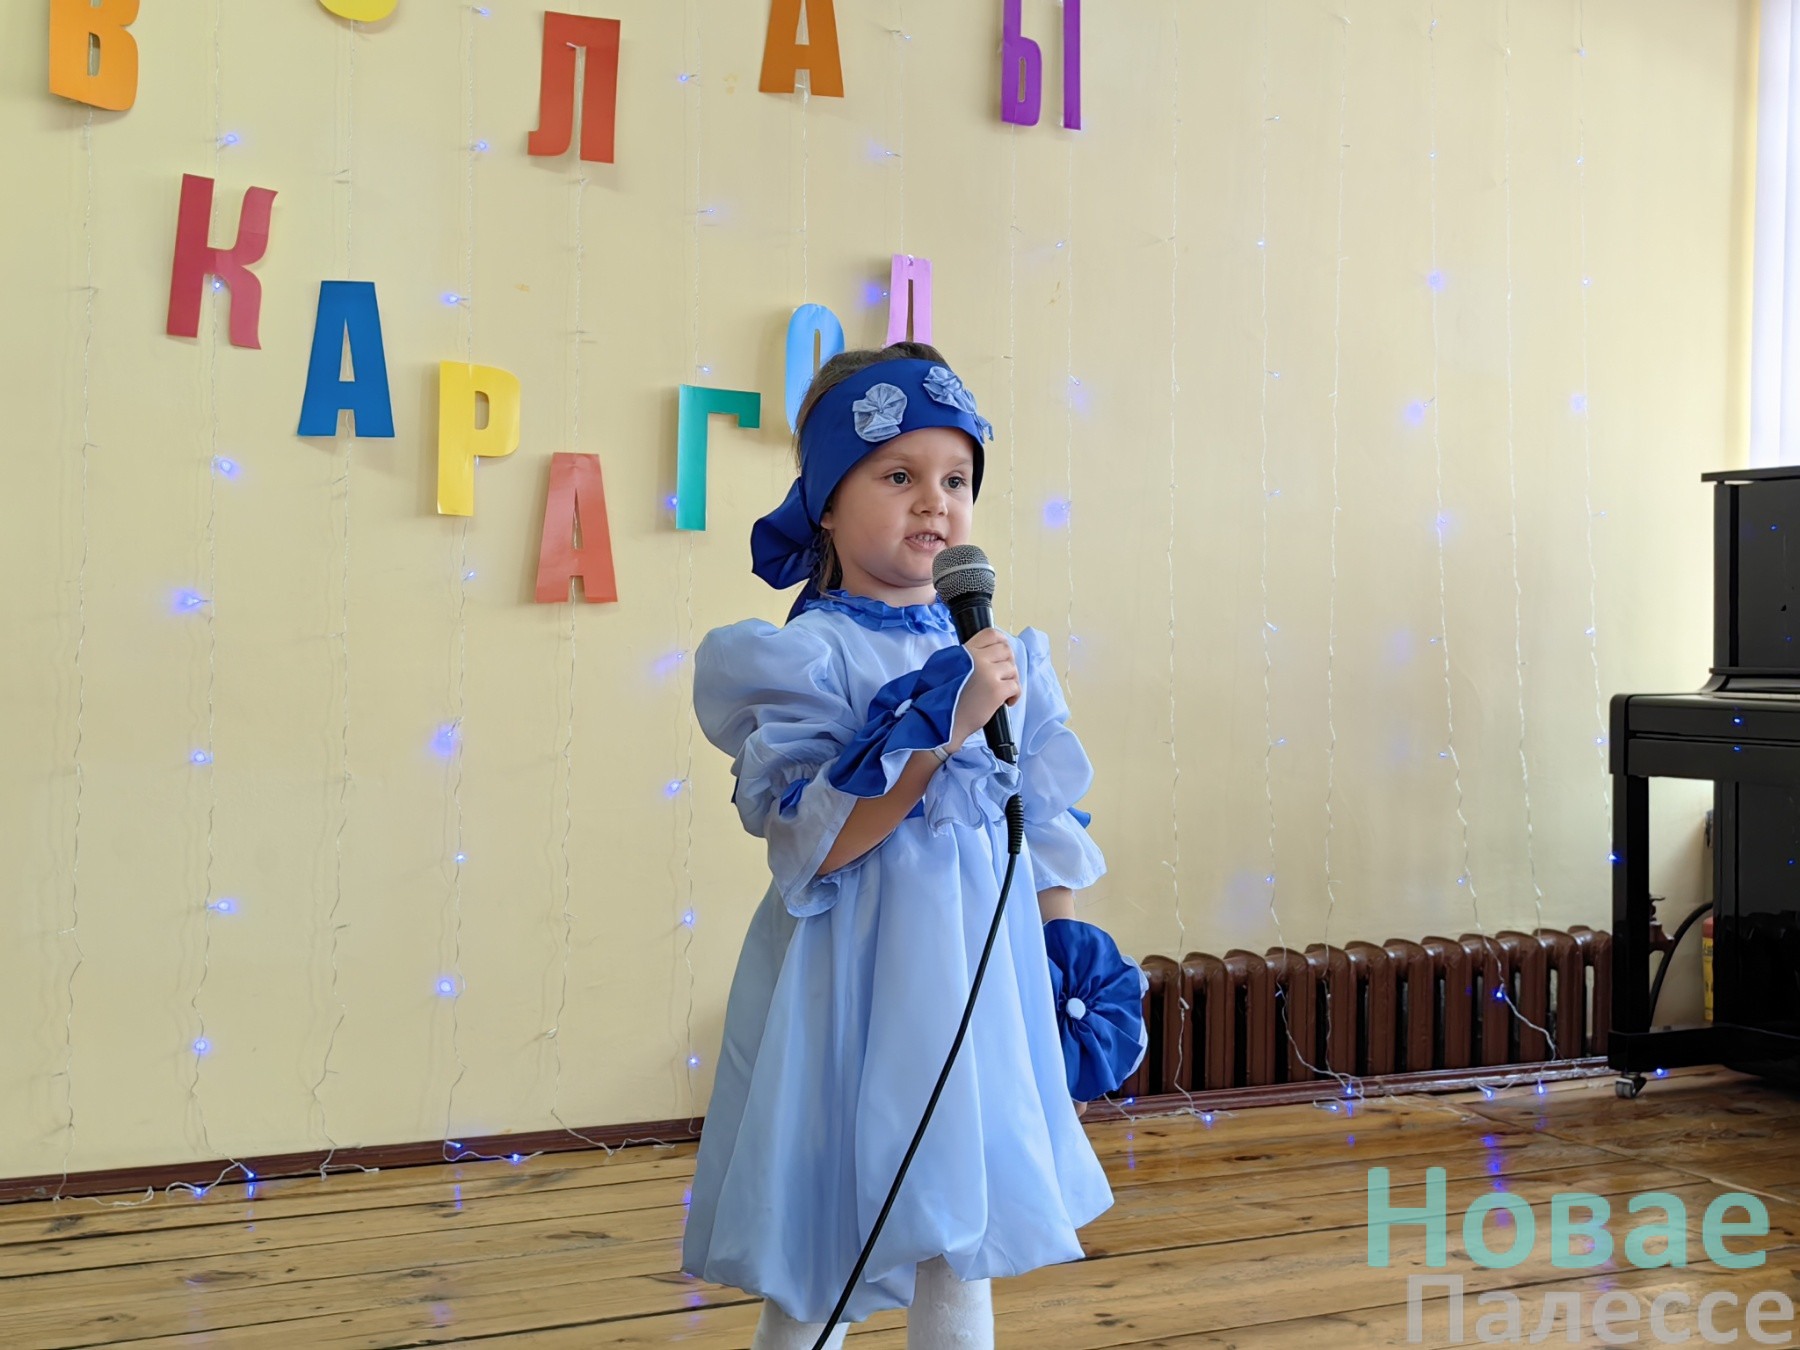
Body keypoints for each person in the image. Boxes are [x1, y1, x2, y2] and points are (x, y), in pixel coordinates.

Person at [681, 343, 1127, 1350]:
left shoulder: (1003, 656)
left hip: (979, 975)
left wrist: (1064, 944)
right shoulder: (808, 658)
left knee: (960, 1226)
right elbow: (819, 844)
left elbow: (1041, 817)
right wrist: (938, 730)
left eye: (957, 480)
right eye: (898, 476)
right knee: (824, 1218)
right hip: (853, 981)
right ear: (826, 505)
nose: (936, 502)